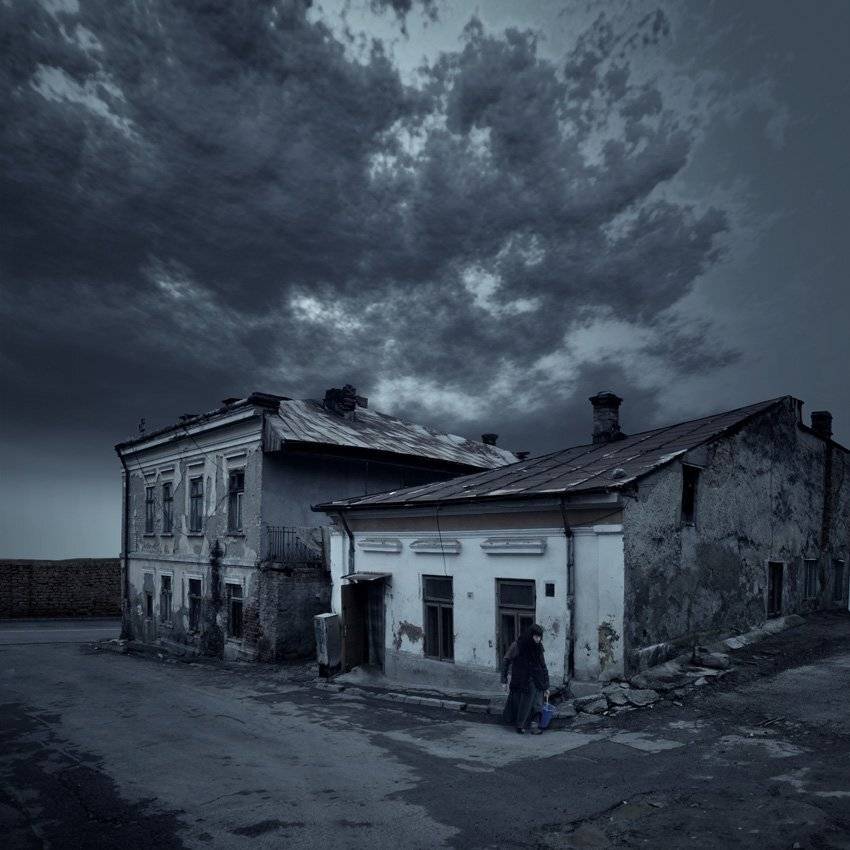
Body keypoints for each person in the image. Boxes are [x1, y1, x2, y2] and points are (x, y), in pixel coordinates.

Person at [501, 624, 550, 734]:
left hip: (537, 679)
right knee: (525, 704)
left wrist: (546, 685)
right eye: (536, 637)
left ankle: (534, 726)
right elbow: (506, 661)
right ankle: (520, 725)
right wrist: (503, 680)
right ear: (530, 635)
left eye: (539, 637)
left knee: (538, 702)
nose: (538, 639)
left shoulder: (538, 647)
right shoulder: (517, 645)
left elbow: (543, 666)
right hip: (522, 680)